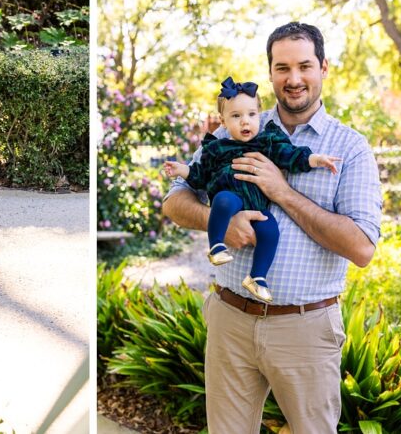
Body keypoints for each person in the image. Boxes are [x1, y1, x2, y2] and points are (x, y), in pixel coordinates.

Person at [162, 22, 381, 434]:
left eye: (304, 66)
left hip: (305, 327)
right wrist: (218, 223)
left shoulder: (350, 147)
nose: (293, 79)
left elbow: (362, 248)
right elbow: (176, 199)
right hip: (230, 318)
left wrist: (281, 192)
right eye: (282, 68)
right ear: (270, 73)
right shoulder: (238, 124)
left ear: (324, 68)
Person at [162, 76, 341, 303]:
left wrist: (315, 159)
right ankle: (216, 246)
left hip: (256, 206)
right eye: (236, 116)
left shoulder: (267, 142)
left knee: (270, 231)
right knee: (224, 201)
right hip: (231, 197)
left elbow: (290, 156)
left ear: (259, 114)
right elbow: (200, 175)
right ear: (223, 121)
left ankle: (257, 277)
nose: (245, 122)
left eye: (251, 115)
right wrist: (182, 170)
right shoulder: (217, 148)